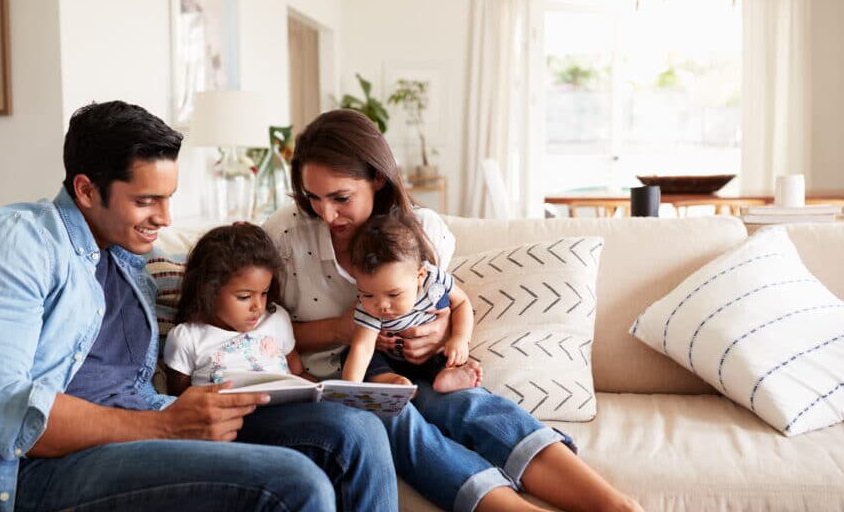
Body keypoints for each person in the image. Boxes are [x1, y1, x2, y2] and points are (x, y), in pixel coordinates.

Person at [0, 101, 396, 512]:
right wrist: (165, 426)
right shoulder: (14, 242)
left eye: (168, 199)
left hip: (152, 421)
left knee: (355, 430)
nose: (164, 219)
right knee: (295, 482)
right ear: (85, 190)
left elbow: (226, 275)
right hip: (46, 466)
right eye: (147, 201)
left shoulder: (127, 256)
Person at [263, 109, 643, 512]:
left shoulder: (420, 230)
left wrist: (440, 334)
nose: (326, 214)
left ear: (377, 178)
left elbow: (442, 304)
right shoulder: (284, 235)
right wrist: (344, 330)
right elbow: (260, 334)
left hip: (414, 367)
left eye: (341, 198)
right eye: (313, 197)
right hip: (337, 381)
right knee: (392, 416)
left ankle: (616, 506)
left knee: (468, 405)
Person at [342, 213, 482, 393]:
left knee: (447, 354)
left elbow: (461, 303)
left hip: (431, 354)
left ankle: (447, 375)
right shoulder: (368, 309)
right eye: (367, 295)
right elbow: (363, 348)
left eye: (394, 294)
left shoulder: (433, 282)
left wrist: (460, 338)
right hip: (391, 360)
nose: (381, 305)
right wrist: (348, 391)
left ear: (419, 275)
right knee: (351, 353)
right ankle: (389, 380)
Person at [162, 222, 307, 390]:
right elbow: (179, 401)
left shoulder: (277, 318)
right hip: (230, 415)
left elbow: (297, 373)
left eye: (264, 293)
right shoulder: (187, 338)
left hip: (288, 409)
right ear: (209, 291)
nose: (258, 307)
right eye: (244, 297)